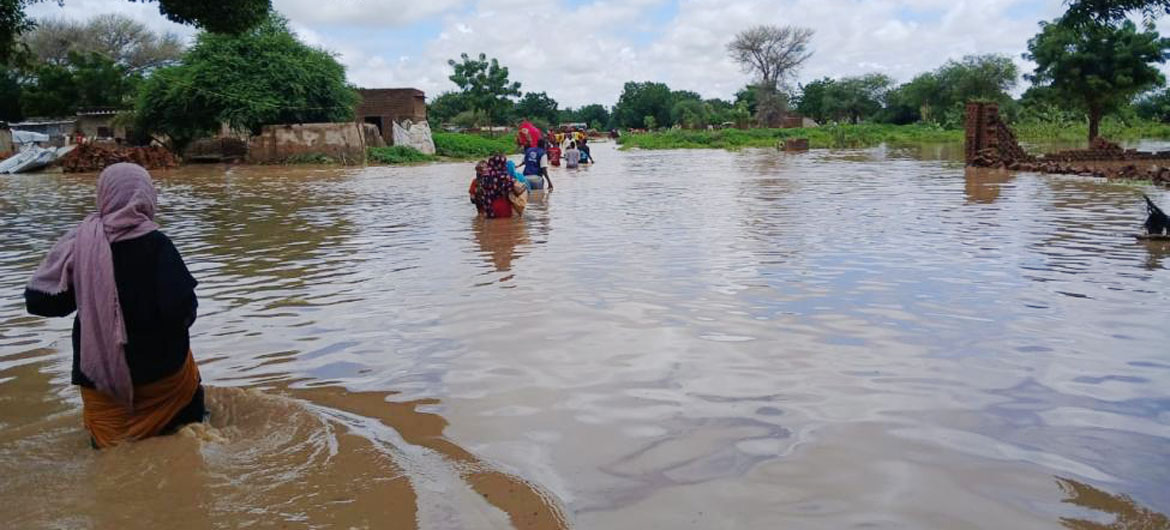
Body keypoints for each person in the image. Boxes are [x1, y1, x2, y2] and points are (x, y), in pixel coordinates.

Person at [24, 163, 204, 449]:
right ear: (146, 195)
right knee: (188, 439)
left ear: (104, 195)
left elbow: (40, 303)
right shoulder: (156, 244)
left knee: (110, 456)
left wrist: (88, 290)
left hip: (101, 384)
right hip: (163, 377)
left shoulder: (79, 244)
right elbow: (181, 310)